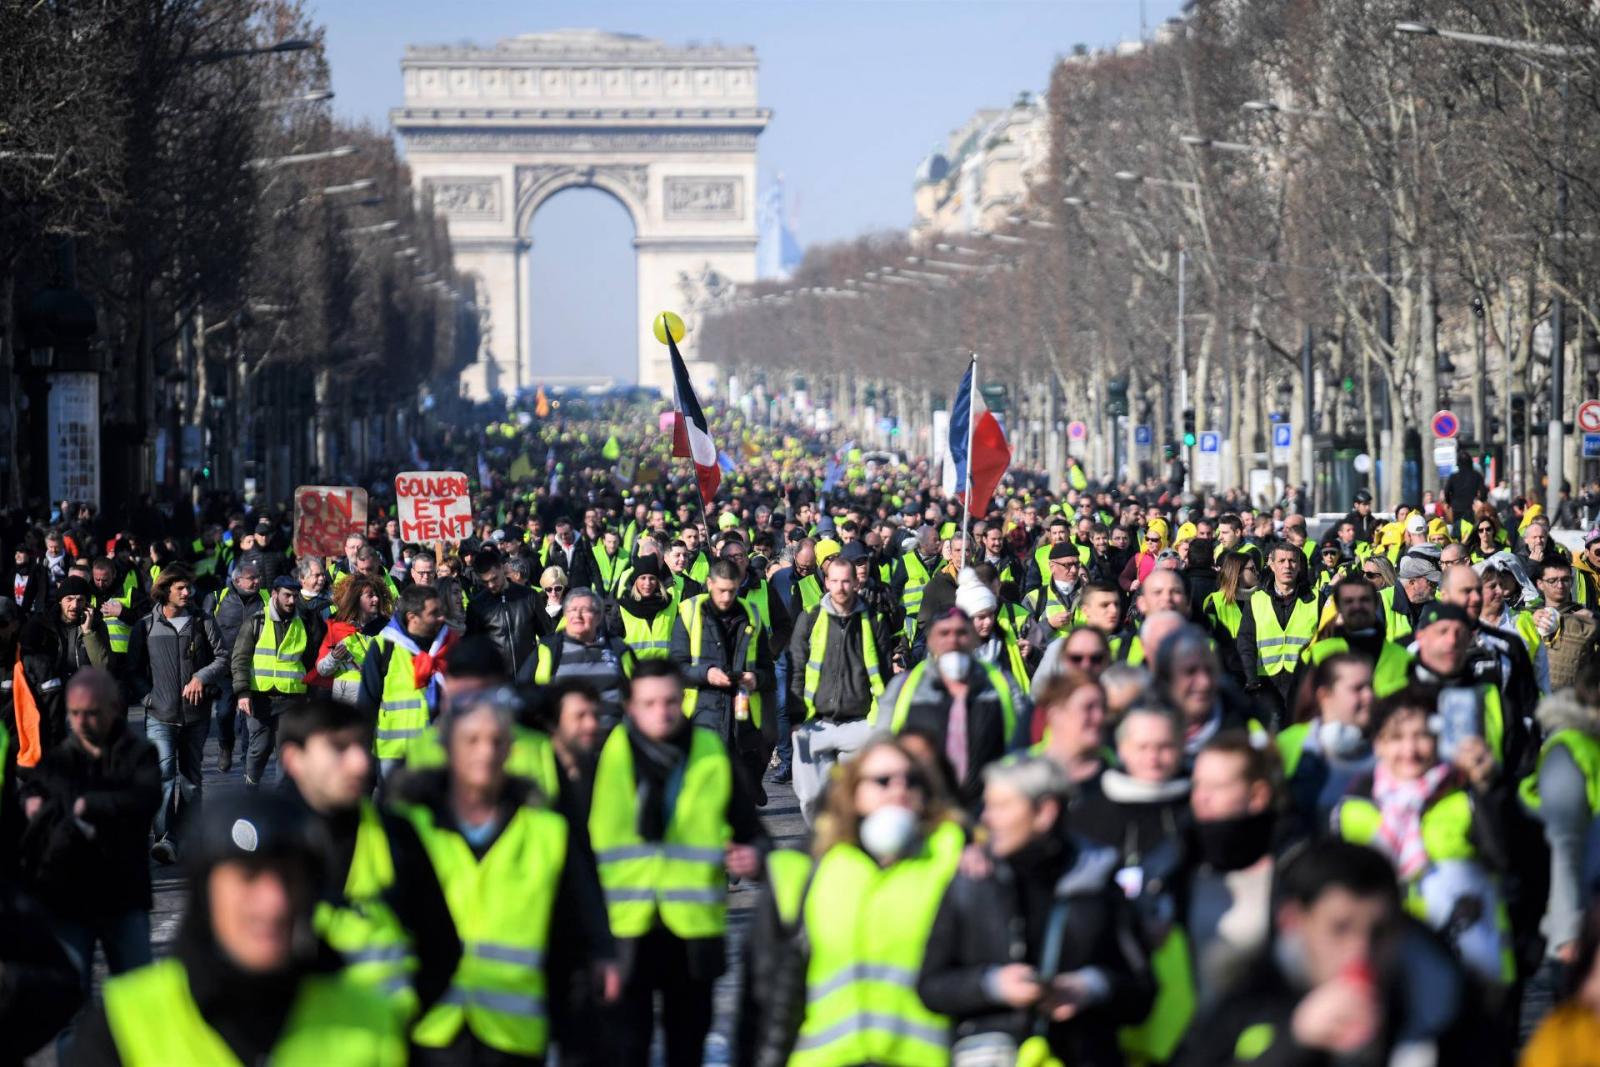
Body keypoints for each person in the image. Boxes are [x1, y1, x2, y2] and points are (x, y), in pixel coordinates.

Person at [67, 790, 408, 1066]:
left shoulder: (374, 1020)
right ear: (204, 893)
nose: (275, 902)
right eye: (248, 877)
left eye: (290, 879)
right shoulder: (123, 1025)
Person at [917, 756, 1156, 1066]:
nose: (986, 819)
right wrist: (992, 985)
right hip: (993, 1054)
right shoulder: (973, 879)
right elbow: (931, 986)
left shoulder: (1097, 876)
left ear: (1044, 812)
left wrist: (1089, 987)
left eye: (1001, 806)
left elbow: (1141, 992)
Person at [744, 736, 964, 1067]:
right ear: (855, 792)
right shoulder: (814, 867)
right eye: (883, 781)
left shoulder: (955, 860)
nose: (898, 789)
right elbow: (776, 989)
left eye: (912, 780)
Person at [589, 661, 767, 1067]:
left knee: (686, 1047)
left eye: (671, 701)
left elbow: (752, 832)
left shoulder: (711, 754)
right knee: (626, 1048)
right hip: (625, 927)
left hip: (692, 929)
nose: (662, 712)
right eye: (649, 703)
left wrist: (754, 856)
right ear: (630, 707)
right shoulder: (608, 757)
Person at [276, 696, 461, 1021]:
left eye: (363, 746)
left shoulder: (396, 832)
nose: (361, 763)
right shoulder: (262, 842)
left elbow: (441, 947)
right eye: (338, 747)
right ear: (294, 758)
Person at [1332, 687, 1516, 987]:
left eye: (1421, 736)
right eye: (1396, 738)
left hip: (1471, 971)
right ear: (1378, 745)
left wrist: (1489, 792)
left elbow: (1509, 860)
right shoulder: (1352, 810)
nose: (1410, 750)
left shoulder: (1467, 798)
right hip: (1385, 970)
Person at [19, 667, 159, 1046]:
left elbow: (145, 800)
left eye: (91, 712)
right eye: (74, 713)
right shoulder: (58, 762)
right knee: (69, 1004)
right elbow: (33, 801)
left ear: (113, 708)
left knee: (139, 998)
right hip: (69, 899)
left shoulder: (137, 754)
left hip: (123, 896)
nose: (81, 722)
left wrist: (86, 805)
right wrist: (31, 805)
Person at [125, 567, 226, 863]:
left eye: (189, 588)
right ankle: (164, 838)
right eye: (180, 588)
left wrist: (201, 677)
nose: (187, 593)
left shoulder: (203, 621)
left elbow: (223, 657)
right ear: (165, 590)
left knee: (192, 780)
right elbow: (133, 670)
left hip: (196, 716)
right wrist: (148, 698)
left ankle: (185, 835)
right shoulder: (146, 625)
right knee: (164, 776)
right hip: (160, 715)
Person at [872, 607, 1018, 809]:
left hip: (987, 807)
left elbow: (1022, 741)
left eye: (961, 633)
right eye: (944, 633)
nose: (953, 640)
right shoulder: (905, 687)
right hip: (924, 809)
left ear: (973, 638)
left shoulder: (1000, 682)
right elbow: (882, 744)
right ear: (930, 641)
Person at [787, 554, 894, 823]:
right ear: (826, 583)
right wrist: (795, 718)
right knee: (812, 798)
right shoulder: (810, 618)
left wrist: (882, 722)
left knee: (857, 800)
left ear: (855, 583)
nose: (841, 587)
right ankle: (822, 844)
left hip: (860, 723)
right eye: (834, 581)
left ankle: (848, 848)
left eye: (846, 581)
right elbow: (796, 668)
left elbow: (884, 673)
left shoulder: (873, 620)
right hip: (815, 722)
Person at [671, 558, 777, 796]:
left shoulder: (752, 615)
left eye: (732, 591)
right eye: (721, 591)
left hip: (743, 722)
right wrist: (706, 674)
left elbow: (768, 672)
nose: (726, 598)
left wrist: (755, 679)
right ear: (709, 583)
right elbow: (676, 667)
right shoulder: (689, 614)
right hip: (701, 716)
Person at [230, 575, 326, 788]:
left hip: (292, 698)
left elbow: (310, 661)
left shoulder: (303, 623)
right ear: (274, 594)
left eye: (294, 596)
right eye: (287, 596)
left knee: (288, 751)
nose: (291, 601)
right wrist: (242, 692)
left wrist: (311, 694)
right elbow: (240, 658)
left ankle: (283, 798)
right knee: (259, 748)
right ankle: (251, 785)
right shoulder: (256, 621)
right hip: (260, 697)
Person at [358, 584, 453, 780]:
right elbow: (367, 702)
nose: (441, 618)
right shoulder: (384, 646)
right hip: (396, 755)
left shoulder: (450, 645)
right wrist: (361, 752)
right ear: (412, 617)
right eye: (434, 613)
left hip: (440, 753)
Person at [1279, 653, 1376, 839]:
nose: (1369, 695)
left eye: (1370, 686)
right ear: (1325, 695)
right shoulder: (1287, 745)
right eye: (1357, 688)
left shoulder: (1388, 745)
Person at [520, 588, 635, 724]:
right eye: (572, 610)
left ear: (598, 616)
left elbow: (639, 692)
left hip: (613, 738)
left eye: (585, 610)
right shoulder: (549, 648)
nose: (578, 616)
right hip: (566, 739)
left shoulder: (617, 647)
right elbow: (524, 692)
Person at [1237, 543, 1318, 729]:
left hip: (1302, 681)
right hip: (1266, 683)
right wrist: (1251, 680)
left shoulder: (1316, 598)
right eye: (1281, 561)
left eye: (1292, 561)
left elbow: (1325, 641)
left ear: (1299, 565)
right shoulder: (1257, 600)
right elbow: (1246, 642)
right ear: (1271, 565)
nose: (1287, 566)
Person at [206, 562, 264, 772]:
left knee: (250, 715)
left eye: (258, 577)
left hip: (255, 669)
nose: (256, 581)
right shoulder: (217, 598)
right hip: (226, 669)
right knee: (223, 713)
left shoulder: (266, 599)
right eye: (252, 578)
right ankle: (225, 747)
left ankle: (248, 758)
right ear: (237, 580)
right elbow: (204, 634)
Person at [465, 547, 545, 680]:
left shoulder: (529, 596)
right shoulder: (477, 606)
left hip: (531, 676)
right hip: (496, 681)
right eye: (485, 582)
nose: (490, 585)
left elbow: (546, 636)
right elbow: (473, 647)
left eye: (494, 578)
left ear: (503, 568)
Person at [313, 574, 393, 706]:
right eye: (370, 596)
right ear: (356, 599)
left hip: (377, 699)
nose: (376, 599)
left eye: (377, 595)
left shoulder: (386, 629)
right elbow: (322, 669)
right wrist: (334, 657)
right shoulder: (338, 628)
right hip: (346, 705)